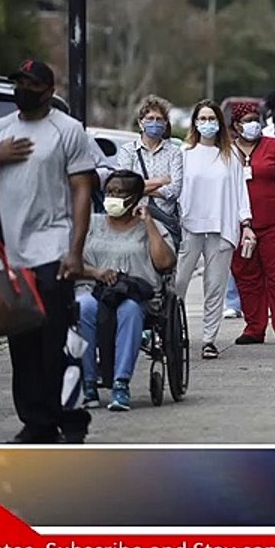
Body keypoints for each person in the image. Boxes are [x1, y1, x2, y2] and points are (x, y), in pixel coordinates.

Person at [0, 59, 95, 444]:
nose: (22, 90)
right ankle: (36, 422)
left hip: (53, 249)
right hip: (12, 255)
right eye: (18, 82)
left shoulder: (67, 131)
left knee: (60, 343)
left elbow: (82, 189)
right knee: (23, 343)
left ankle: (71, 420)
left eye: (31, 84)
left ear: (48, 91)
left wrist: (75, 250)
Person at [74, 171, 177, 411]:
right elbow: (71, 262)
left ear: (135, 198)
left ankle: (121, 384)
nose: (113, 198)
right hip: (93, 288)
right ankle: (89, 383)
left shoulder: (151, 226)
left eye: (120, 193)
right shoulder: (91, 223)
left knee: (129, 311)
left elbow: (164, 264)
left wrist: (149, 223)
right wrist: (96, 273)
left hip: (135, 294)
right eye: (110, 192)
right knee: (84, 307)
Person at [176, 100, 256, 359]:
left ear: (219, 123)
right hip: (189, 225)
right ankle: (172, 332)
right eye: (203, 118)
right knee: (178, 283)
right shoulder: (184, 152)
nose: (207, 124)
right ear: (195, 122)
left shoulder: (231, 154)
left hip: (221, 227)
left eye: (212, 119)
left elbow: (240, 192)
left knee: (215, 287)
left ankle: (209, 339)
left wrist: (246, 224)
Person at [229, 102, 275, 343]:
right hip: (241, 226)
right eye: (248, 120)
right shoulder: (228, 151)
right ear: (237, 125)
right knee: (247, 277)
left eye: (256, 119)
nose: (253, 124)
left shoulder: (273, 146)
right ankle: (254, 327)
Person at [113, 95, 184, 241]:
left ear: (165, 123)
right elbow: (125, 186)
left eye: (159, 119)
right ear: (141, 123)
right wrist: (162, 181)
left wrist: (139, 189)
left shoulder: (174, 152)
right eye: (150, 118)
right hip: (134, 221)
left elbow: (175, 190)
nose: (154, 123)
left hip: (165, 225)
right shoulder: (128, 150)